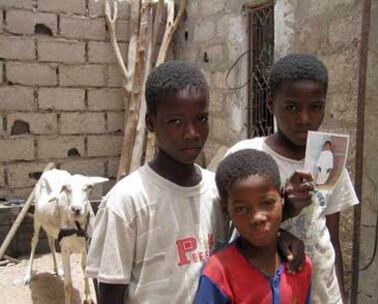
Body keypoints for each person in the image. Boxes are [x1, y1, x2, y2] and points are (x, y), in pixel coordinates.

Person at [85, 61, 305, 304]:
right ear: (150, 123)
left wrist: (280, 234)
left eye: (201, 119)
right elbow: (110, 294)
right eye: (176, 122)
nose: (191, 132)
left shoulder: (217, 190)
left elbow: (246, 239)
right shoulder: (127, 201)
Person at [226, 54, 359, 304]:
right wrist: (281, 219)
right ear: (270, 104)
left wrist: (339, 297)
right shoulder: (246, 157)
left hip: (321, 293)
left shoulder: (330, 161)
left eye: (316, 106)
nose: (305, 118)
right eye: (291, 107)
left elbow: (330, 239)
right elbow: (230, 234)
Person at [195, 149, 312, 304]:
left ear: (282, 197)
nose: (257, 218)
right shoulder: (220, 272)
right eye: (242, 209)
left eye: (267, 203)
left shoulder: (300, 266)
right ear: (226, 211)